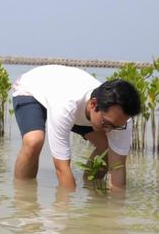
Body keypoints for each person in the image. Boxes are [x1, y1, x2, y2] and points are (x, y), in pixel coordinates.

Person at [11, 65, 141, 190]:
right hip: (32, 90)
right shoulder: (65, 106)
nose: (109, 131)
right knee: (34, 140)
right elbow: (62, 168)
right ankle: (23, 197)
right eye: (106, 124)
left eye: (115, 126)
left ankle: (91, 187)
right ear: (93, 104)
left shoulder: (122, 119)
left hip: (74, 107)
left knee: (106, 148)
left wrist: (115, 207)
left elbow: (117, 168)